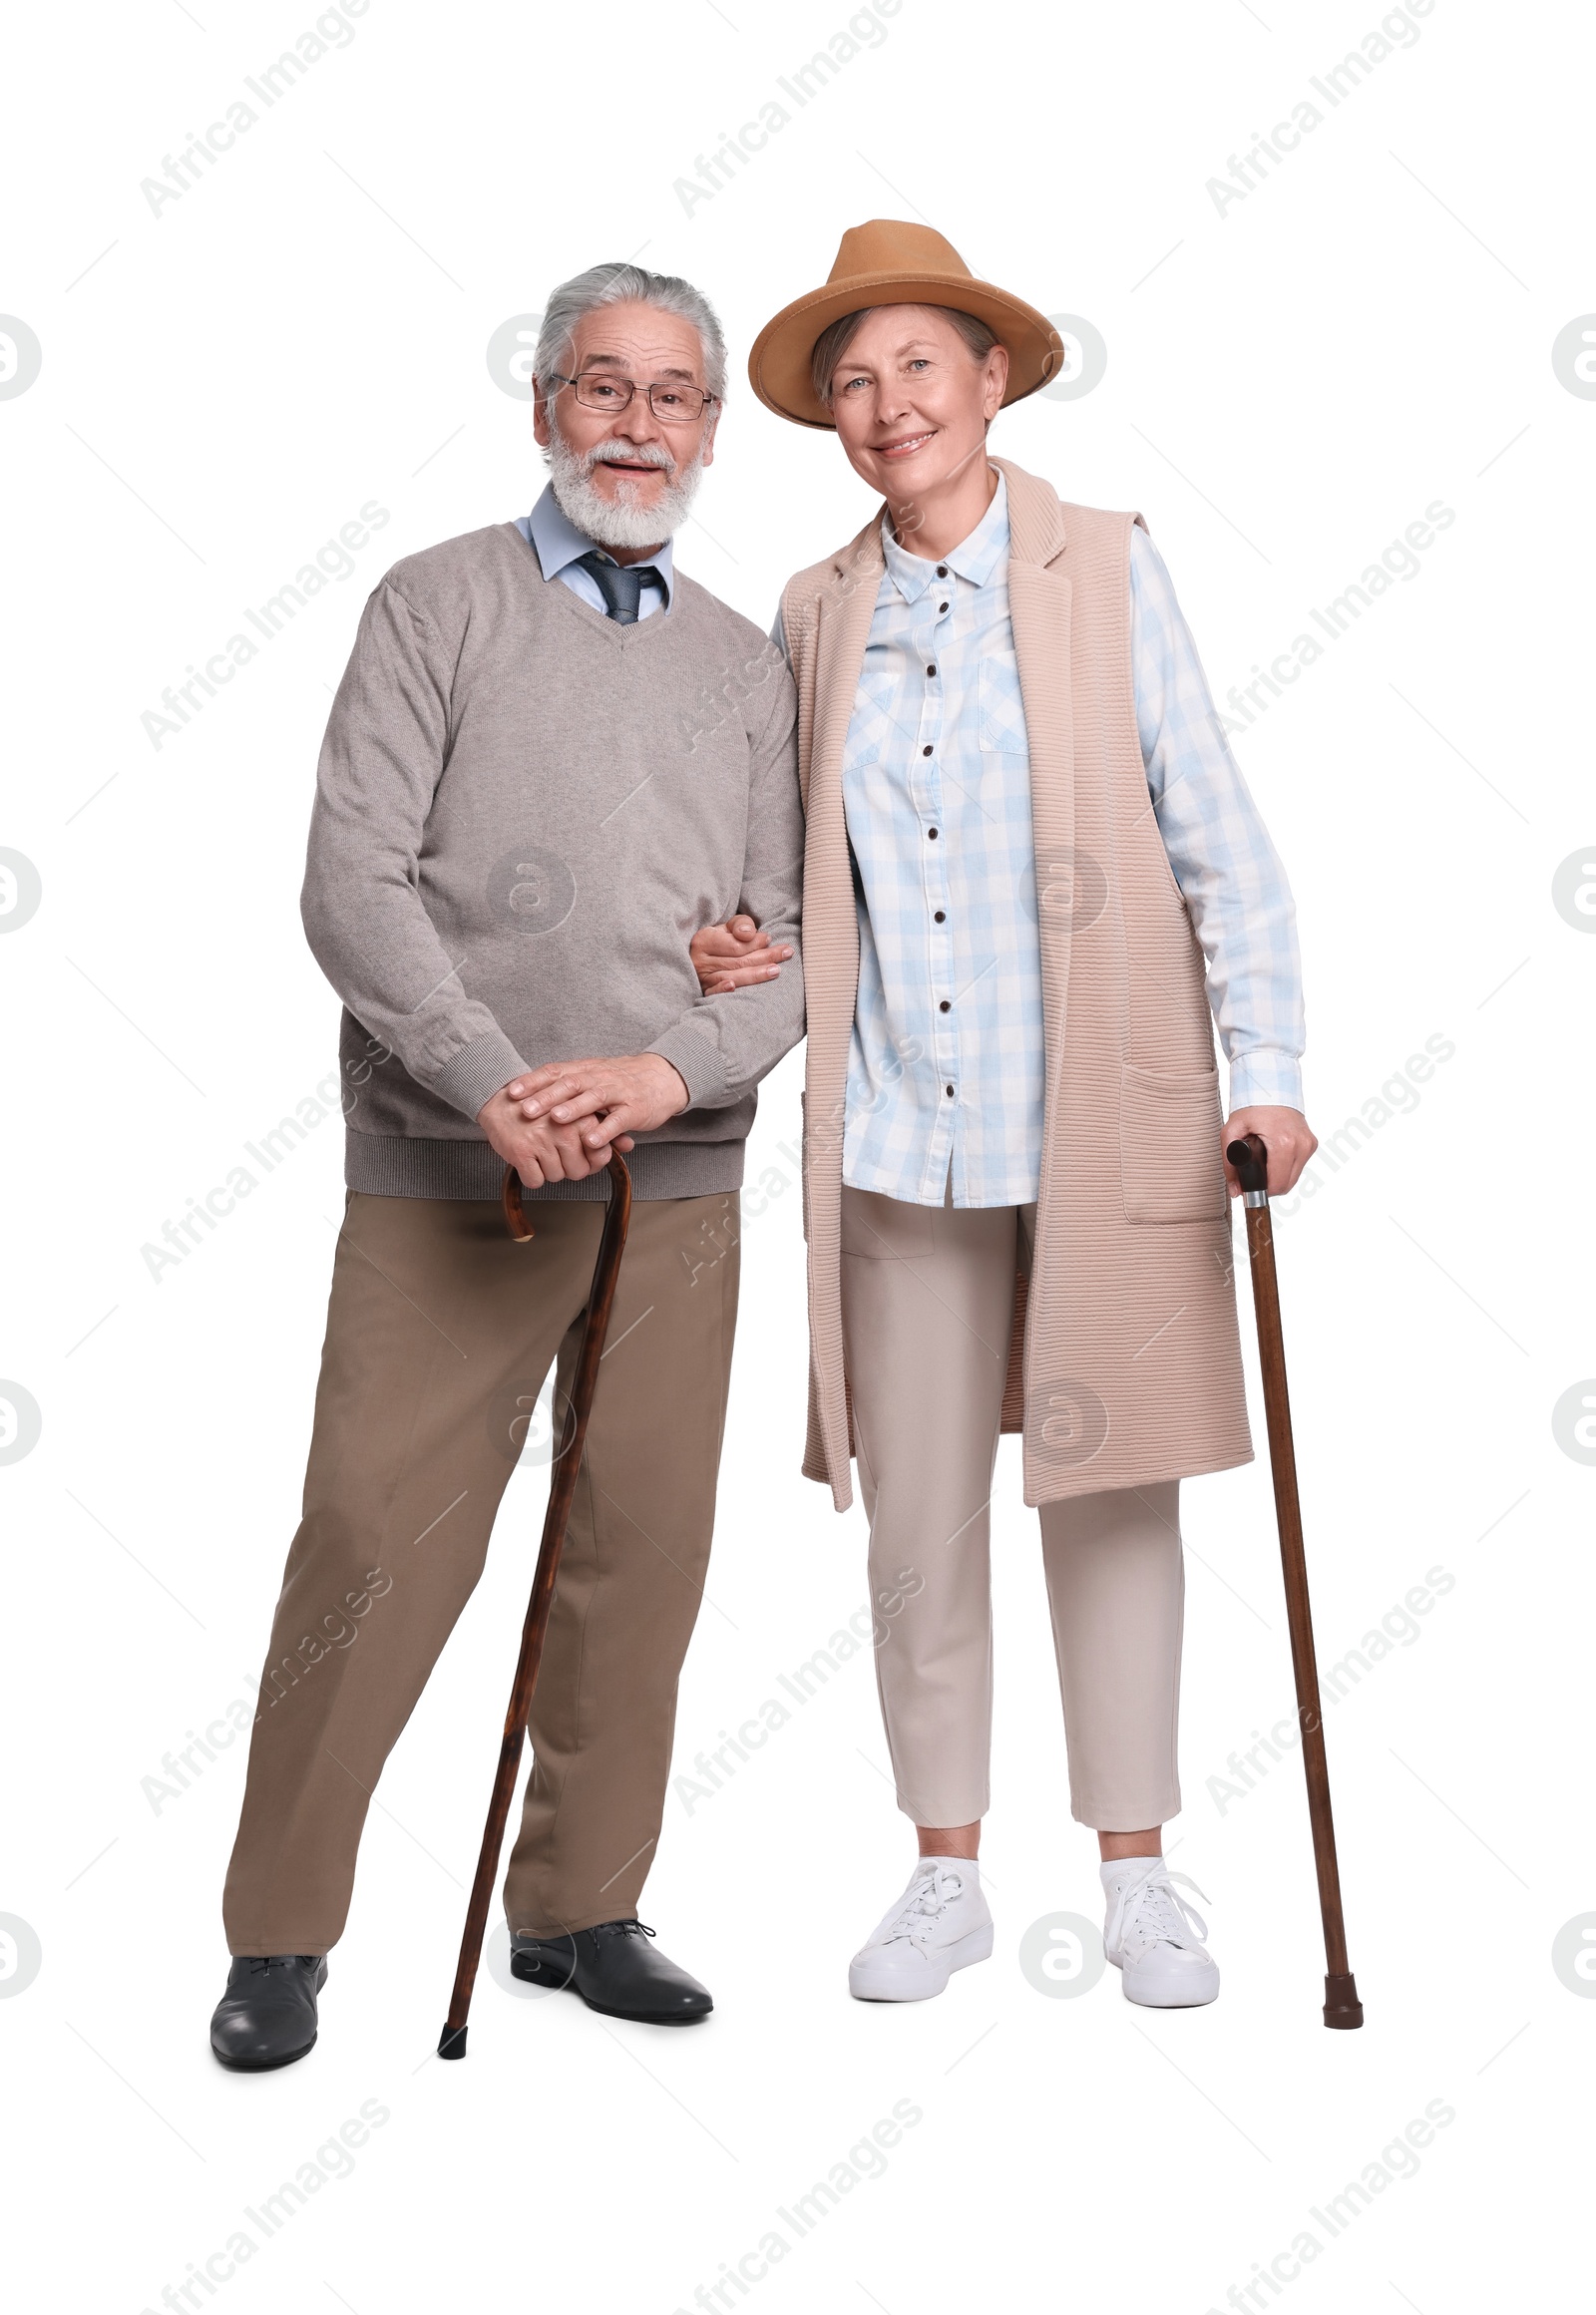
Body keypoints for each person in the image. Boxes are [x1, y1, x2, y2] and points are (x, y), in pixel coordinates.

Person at [694, 219, 1314, 2009]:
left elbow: (1222, 846)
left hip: (1100, 1131)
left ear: (990, 379)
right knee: (918, 1527)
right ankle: (943, 1868)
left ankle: (1139, 1870)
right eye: (851, 380)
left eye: (918, 368)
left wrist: (1264, 1076)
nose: (887, 406)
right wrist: (758, 945)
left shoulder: (1104, 566)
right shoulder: (820, 612)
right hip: (897, 1140)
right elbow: (821, 889)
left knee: (1110, 1494)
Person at [209, 261, 803, 2069]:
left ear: (709, 426)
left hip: (673, 1176)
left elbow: (789, 939)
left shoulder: (748, 663)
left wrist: (664, 1066)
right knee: (377, 1543)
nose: (642, 422)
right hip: (447, 1168)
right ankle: (282, 1933)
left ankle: (580, 1904)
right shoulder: (433, 604)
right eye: (605, 386)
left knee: (642, 1548)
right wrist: (488, 1082)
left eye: (677, 394)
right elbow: (352, 883)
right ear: (546, 404)